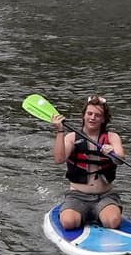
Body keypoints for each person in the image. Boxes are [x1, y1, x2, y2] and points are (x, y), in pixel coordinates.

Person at [51, 94, 126, 230]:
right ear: (84, 116)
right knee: (69, 223)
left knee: (113, 222)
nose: (92, 118)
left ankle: (101, 213)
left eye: (97, 115)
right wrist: (60, 131)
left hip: (105, 196)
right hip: (78, 195)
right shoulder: (71, 137)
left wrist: (112, 153)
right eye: (89, 113)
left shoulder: (112, 137)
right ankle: (73, 213)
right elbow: (59, 159)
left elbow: (120, 159)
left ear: (103, 119)